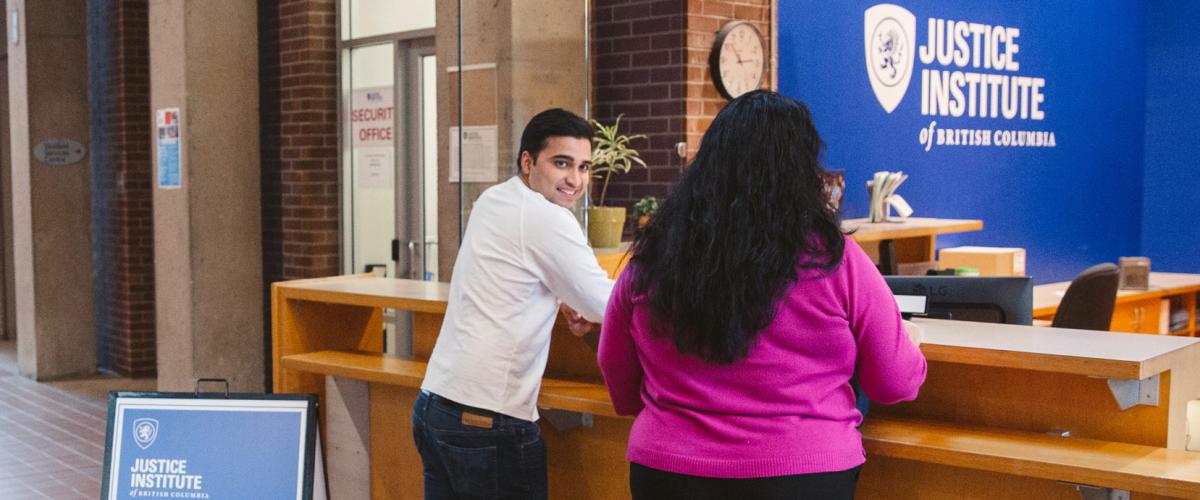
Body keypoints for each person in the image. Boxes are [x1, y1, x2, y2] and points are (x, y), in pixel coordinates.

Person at [597, 90, 927, 500]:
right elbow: (894, 383)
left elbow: (616, 370)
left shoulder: (652, 257)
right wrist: (909, 345)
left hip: (668, 471)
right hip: (804, 474)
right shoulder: (834, 259)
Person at [414, 109, 612, 500]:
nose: (575, 179)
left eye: (585, 167)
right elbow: (608, 305)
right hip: (486, 423)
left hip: (434, 408)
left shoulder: (494, 198)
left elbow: (516, 276)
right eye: (562, 163)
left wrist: (564, 297)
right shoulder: (546, 217)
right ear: (527, 161)